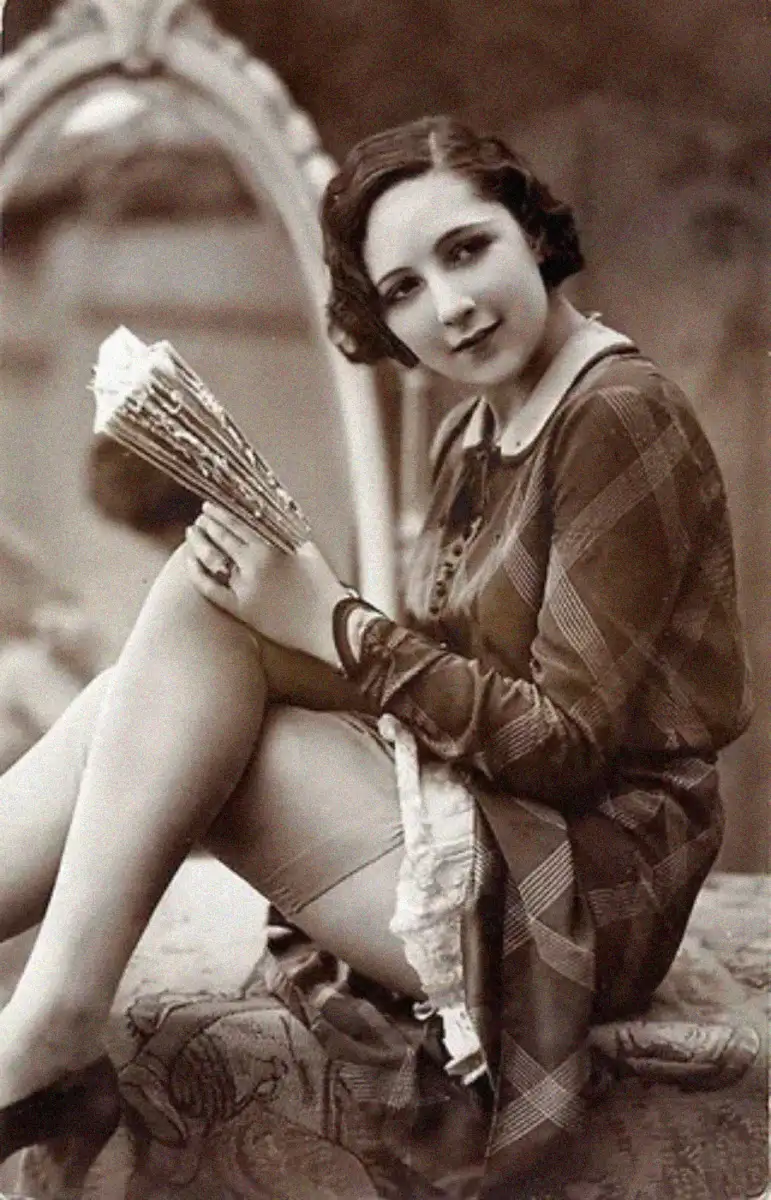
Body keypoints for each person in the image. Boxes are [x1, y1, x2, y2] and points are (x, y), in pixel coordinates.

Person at [0, 115, 752, 1197]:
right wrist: (293, 618)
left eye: (466, 249)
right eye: (402, 289)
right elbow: (444, 688)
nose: (450, 306)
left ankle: (50, 1032)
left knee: (193, 678)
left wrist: (334, 622)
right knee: (173, 650)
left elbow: (564, 746)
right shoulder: (473, 432)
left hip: (584, 893)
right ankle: (50, 1031)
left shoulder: (618, 414)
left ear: (534, 232)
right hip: (493, 820)